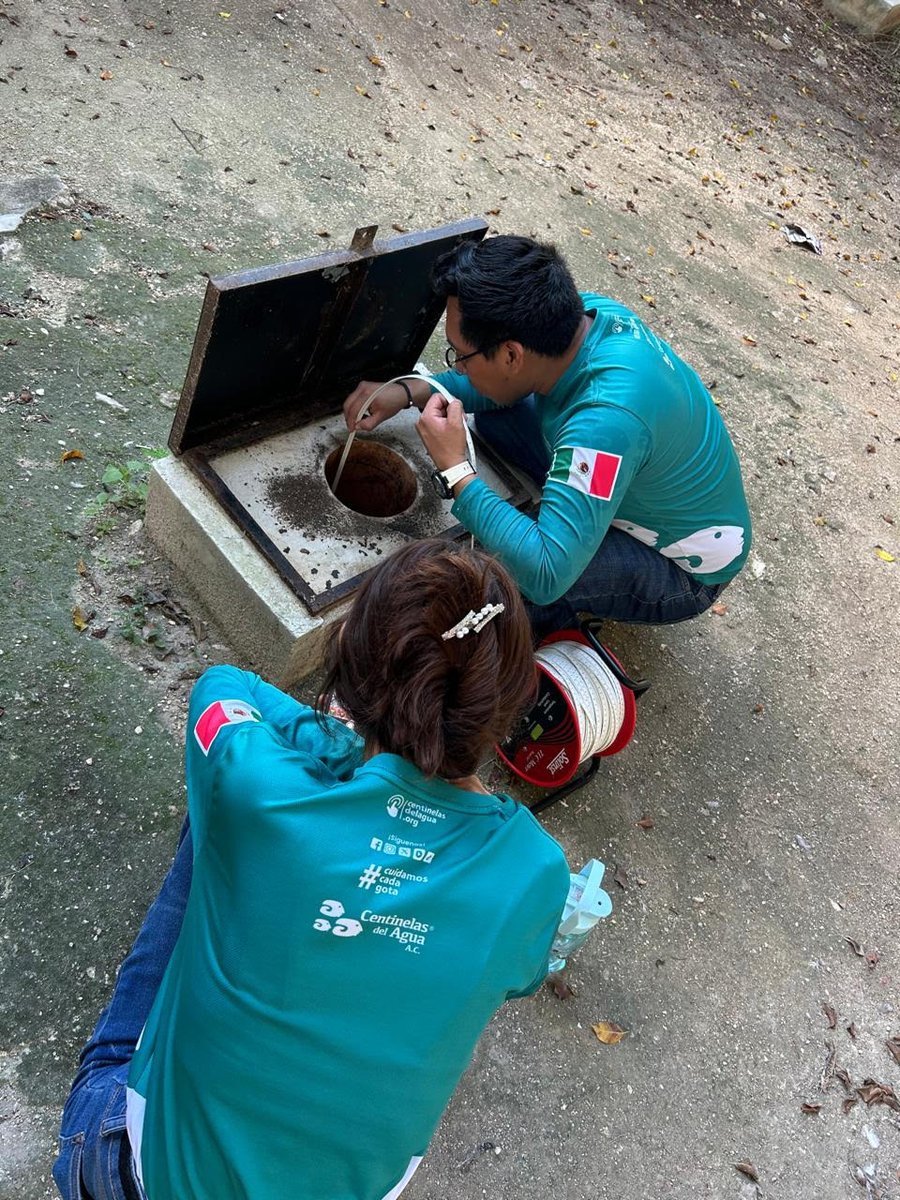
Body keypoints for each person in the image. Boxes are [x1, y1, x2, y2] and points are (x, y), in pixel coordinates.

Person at [52, 539, 570, 1200]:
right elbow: (521, 976)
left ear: (351, 674)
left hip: (144, 1177)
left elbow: (224, 687)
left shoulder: (260, 790)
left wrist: (331, 741)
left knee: (222, 814)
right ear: (503, 704)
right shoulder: (536, 872)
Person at [344, 235, 752, 640]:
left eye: (461, 356)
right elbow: (499, 390)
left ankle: (545, 631)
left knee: (493, 584)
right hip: (628, 467)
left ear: (510, 355)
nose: (458, 368)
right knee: (495, 420)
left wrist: (457, 472)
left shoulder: (603, 423)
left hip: (677, 568)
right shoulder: (578, 319)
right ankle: (564, 523)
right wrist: (413, 390)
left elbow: (546, 572)